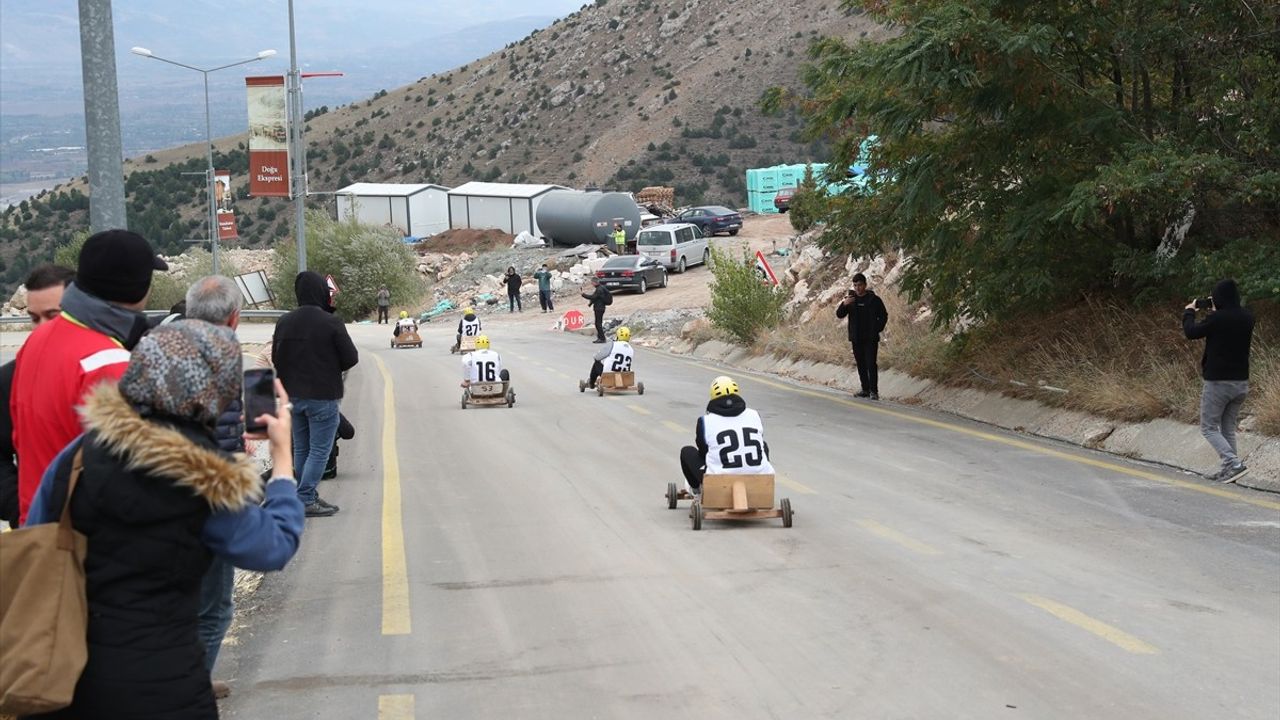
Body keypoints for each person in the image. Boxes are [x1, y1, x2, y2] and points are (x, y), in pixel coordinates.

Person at [24, 320, 304, 720]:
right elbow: (271, 547)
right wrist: (281, 462)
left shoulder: (77, 457)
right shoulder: (206, 478)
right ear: (215, 390)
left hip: (64, 678)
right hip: (164, 685)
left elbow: (39, 533)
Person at [10, 229, 167, 525]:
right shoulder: (111, 364)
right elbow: (132, 481)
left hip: (36, 529)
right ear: (141, 289)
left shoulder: (37, 340)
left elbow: (20, 434)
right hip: (85, 546)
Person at [183, 275, 249, 699]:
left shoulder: (157, 347)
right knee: (215, 602)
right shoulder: (227, 356)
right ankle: (191, 686)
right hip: (210, 493)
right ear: (235, 318)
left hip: (159, 492)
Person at [272, 271, 359, 517]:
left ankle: (305, 494)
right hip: (322, 395)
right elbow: (350, 357)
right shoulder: (331, 322)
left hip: (291, 396)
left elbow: (276, 358)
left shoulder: (284, 322)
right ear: (322, 291)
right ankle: (306, 497)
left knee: (301, 448)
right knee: (320, 450)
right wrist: (329, 368)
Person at [0, 263, 75, 529]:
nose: (41, 327)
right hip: (38, 534)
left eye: (53, 316)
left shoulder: (100, 365)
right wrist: (21, 509)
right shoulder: (11, 377)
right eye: (34, 318)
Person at [1183, 279, 1255, 483]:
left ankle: (1233, 463)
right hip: (1241, 382)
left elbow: (1191, 332)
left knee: (1207, 428)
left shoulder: (1217, 319)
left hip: (1218, 382)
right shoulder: (1248, 317)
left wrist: (1189, 311)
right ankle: (1229, 468)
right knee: (1227, 428)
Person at [678, 375, 774, 496]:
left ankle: (696, 490)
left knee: (686, 451)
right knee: (763, 445)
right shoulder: (754, 415)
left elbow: (703, 452)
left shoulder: (705, 421)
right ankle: (758, 481)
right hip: (758, 478)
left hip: (719, 480)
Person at [835, 272, 888, 400]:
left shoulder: (874, 300)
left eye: (860, 285)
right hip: (856, 338)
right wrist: (844, 304)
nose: (857, 288)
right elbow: (839, 314)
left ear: (865, 285)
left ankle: (874, 391)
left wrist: (876, 328)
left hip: (870, 338)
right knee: (861, 364)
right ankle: (865, 389)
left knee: (871, 364)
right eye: (855, 285)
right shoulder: (851, 300)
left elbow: (884, 315)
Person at [588, 325, 634, 389]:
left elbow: (598, 357)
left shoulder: (613, 344)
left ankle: (591, 383)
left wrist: (596, 356)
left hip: (609, 375)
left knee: (596, 363)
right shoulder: (631, 349)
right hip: (624, 376)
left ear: (618, 336)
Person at [581, 276, 613, 343]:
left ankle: (602, 338)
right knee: (598, 323)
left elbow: (593, 297)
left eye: (592, 283)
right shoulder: (601, 288)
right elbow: (596, 298)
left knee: (598, 323)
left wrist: (583, 294)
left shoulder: (599, 289)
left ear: (594, 282)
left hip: (599, 308)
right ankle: (600, 337)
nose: (591, 284)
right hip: (600, 307)